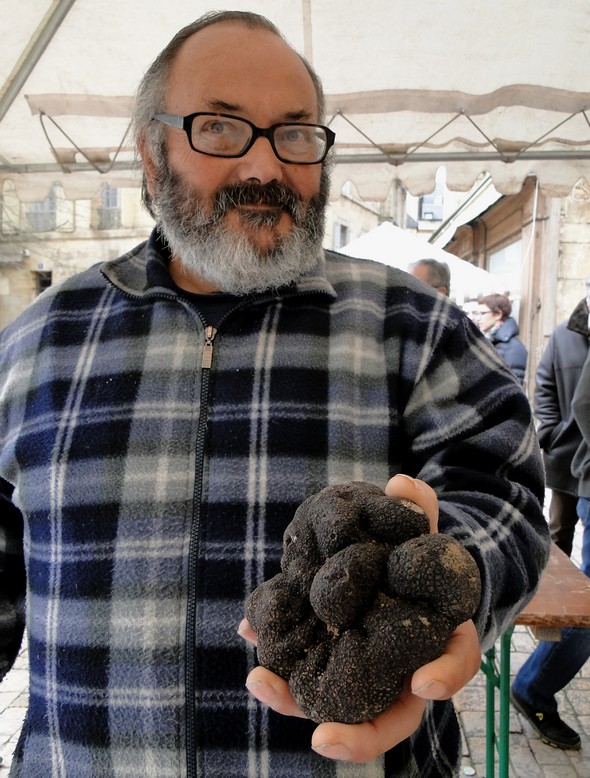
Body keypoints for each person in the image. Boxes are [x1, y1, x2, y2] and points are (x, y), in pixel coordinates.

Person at [0, 11, 550, 778]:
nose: (265, 166)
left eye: (295, 133)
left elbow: (507, 494)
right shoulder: (35, 342)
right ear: (152, 155)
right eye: (220, 127)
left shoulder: (413, 325)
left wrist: (449, 578)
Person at [511, 351, 590, 750]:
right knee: (580, 590)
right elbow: (562, 397)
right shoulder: (563, 337)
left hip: (574, 465)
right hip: (567, 465)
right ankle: (533, 688)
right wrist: (554, 437)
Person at [534, 277, 590, 555]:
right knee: (558, 531)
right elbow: (544, 386)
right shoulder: (563, 335)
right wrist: (553, 431)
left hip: (588, 455)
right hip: (566, 451)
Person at [473, 293, 528, 385]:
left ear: (498, 314)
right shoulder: (489, 341)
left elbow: (511, 389)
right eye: (477, 313)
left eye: (483, 313)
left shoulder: (513, 348)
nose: (478, 318)